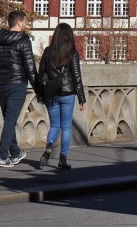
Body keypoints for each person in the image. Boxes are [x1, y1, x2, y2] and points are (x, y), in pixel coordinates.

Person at [0, 10, 38, 168]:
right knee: (10, 120)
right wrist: (38, 89)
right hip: (17, 84)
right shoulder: (23, 40)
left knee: (9, 119)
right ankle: (2, 156)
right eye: (25, 22)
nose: (26, 25)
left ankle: (15, 153)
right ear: (20, 23)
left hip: (1, 85)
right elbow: (30, 68)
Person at [38, 22, 86, 170]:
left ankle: (49, 146)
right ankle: (62, 160)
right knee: (65, 128)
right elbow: (77, 77)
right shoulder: (72, 53)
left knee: (54, 125)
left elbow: (41, 75)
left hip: (52, 93)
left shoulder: (47, 51)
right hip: (68, 93)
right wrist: (81, 98)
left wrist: (43, 91)